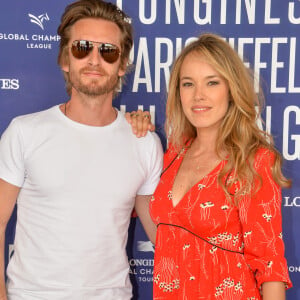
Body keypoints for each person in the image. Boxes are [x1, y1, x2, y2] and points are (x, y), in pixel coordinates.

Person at [0, 0, 163, 299]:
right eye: (82, 47)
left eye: (108, 51)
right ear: (65, 58)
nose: (94, 59)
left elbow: (164, 237)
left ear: (122, 64)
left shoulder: (144, 143)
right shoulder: (24, 133)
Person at [148, 33, 292, 299]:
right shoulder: (175, 153)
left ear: (231, 89)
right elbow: (166, 231)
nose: (198, 96)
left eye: (212, 83)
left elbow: (270, 266)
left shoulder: (253, 160)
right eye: (188, 84)